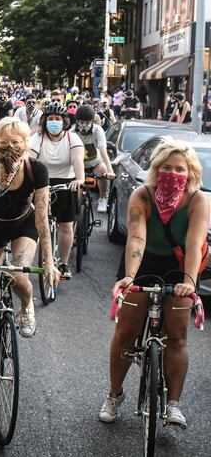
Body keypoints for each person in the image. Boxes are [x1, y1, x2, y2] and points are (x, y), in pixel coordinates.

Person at [100, 141, 208, 429]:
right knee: (125, 331)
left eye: (180, 169)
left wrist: (189, 282)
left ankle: (173, 404)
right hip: (143, 261)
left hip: (179, 267)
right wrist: (130, 277)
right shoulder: (142, 195)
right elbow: (136, 237)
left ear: (191, 173)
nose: (173, 173)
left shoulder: (199, 200)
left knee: (177, 335)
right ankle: (114, 394)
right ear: (156, 170)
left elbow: (196, 244)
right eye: (167, 168)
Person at [0, 117, 60, 384]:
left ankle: (27, 305)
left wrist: (49, 262)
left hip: (23, 225)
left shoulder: (37, 170)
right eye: (3, 143)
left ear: (26, 144)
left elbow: (42, 218)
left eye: (16, 142)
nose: (10, 147)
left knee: (20, 276)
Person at [29, 103, 84, 279]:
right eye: (51, 119)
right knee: (36, 222)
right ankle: (43, 257)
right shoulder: (37, 138)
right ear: (45, 121)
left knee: (66, 226)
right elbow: (29, 161)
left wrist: (79, 179)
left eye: (58, 119)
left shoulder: (72, 138)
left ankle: (64, 262)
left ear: (64, 121)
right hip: (41, 181)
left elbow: (77, 161)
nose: (54, 122)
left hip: (67, 183)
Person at [73, 105, 115, 213]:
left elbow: (103, 152)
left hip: (95, 164)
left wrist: (110, 171)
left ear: (92, 122)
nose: (84, 126)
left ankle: (102, 198)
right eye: (81, 122)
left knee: (103, 170)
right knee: (76, 197)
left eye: (87, 123)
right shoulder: (72, 132)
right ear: (77, 121)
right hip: (78, 166)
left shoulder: (98, 130)